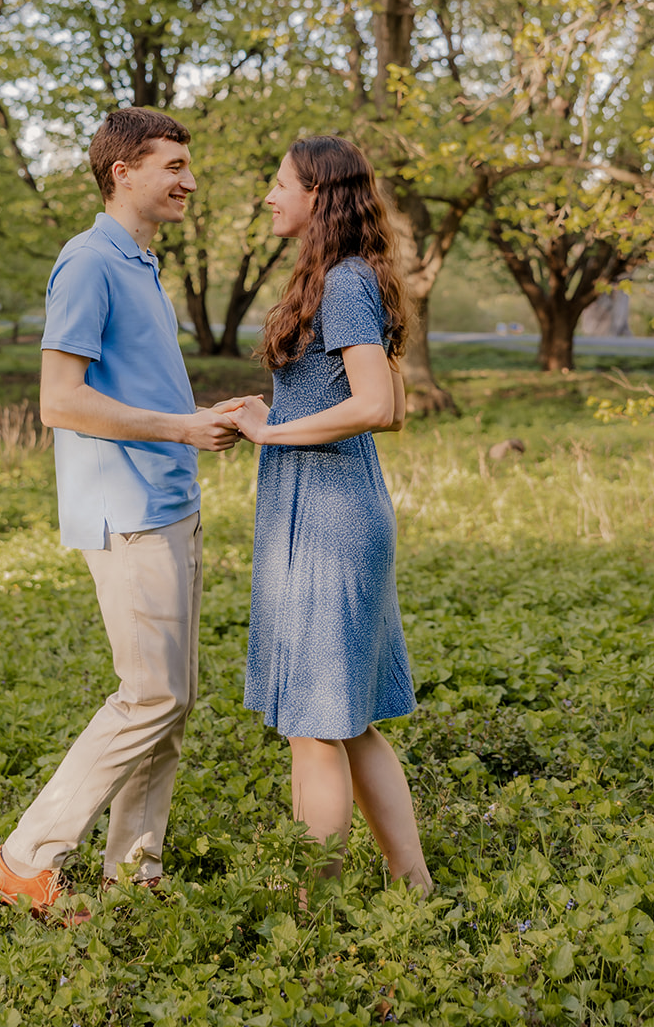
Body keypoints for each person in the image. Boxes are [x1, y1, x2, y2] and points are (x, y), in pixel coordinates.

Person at [0, 107, 239, 919]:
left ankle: (134, 870)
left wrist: (198, 415)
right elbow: (60, 402)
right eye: (172, 165)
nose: (188, 180)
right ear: (121, 171)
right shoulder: (88, 262)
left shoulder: (141, 264)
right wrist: (180, 427)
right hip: (126, 511)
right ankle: (26, 860)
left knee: (173, 697)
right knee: (149, 695)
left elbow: (135, 390)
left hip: (168, 499)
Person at [222, 136, 431, 894]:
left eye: (279, 184)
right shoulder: (341, 277)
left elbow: (378, 406)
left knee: (313, 723)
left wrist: (273, 431)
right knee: (346, 720)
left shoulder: (343, 281)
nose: (269, 196)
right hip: (322, 508)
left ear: (318, 195)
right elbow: (355, 396)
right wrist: (271, 409)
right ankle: (415, 890)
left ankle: (310, 912)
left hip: (330, 517)